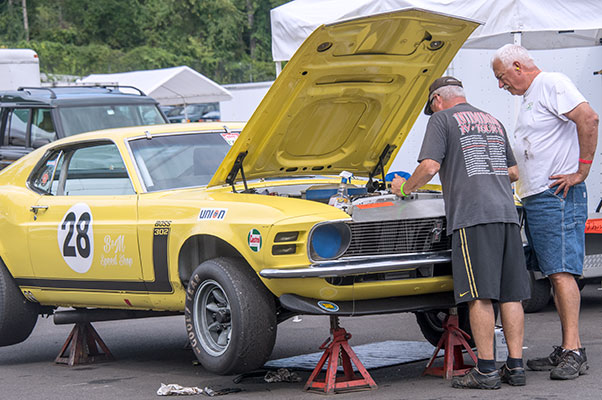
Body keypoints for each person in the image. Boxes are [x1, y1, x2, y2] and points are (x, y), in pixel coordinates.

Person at [391, 76, 530, 390]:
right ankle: (516, 366)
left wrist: (405, 189)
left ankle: (485, 370)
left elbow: (428, 167)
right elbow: (512, 172)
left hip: (473, 216)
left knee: (478, 294)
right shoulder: (491, 120)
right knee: (511, 294)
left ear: (437, 99)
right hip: (506, 214)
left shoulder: (441, 119)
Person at [491, 44, 599, 380]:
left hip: (557, 196)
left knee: (562, 272)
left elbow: (589, 118)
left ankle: (573, 352)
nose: (500, 85)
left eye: (501, 77)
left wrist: (581, 171)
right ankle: (569, 346)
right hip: (539, 197)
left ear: (518, 66)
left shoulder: (552, 82)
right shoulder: (532, 95)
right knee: (553, 272)